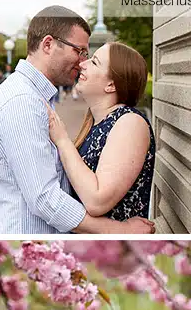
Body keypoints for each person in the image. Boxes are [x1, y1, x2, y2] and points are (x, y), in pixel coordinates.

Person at [0, 7, 154, 235]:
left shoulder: (38, 99)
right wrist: (118, 230)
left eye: (90, 57)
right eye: (79, 51)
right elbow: (44, 198)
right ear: (48, 44)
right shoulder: (22, 101)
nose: (82, 62)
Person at [47, 39, 155, 223]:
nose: (83, 64)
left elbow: (97, 200)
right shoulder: (97, 122)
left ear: (111, 85)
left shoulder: (130, 123)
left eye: (94, 62)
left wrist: (62, 140)